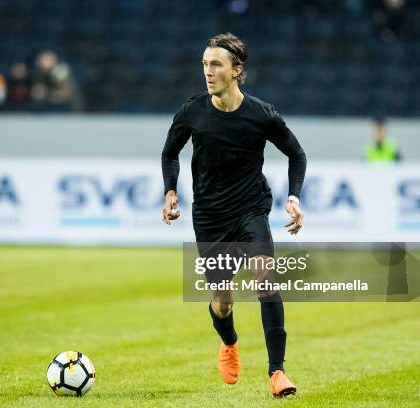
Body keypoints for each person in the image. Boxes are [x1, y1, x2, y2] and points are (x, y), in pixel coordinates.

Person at [160, 33, 306, 397]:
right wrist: (171, 190)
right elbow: (169, 153)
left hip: (251, 208)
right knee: (222, 302)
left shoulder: (261, 114)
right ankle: (229, 342)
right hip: (210, 216)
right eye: (205, 64)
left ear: (236, 70)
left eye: (216, 65)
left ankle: (277, 373)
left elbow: (297, 154)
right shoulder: (192, 111)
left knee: (264, 280)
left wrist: (293, 197)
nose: (208, 71)